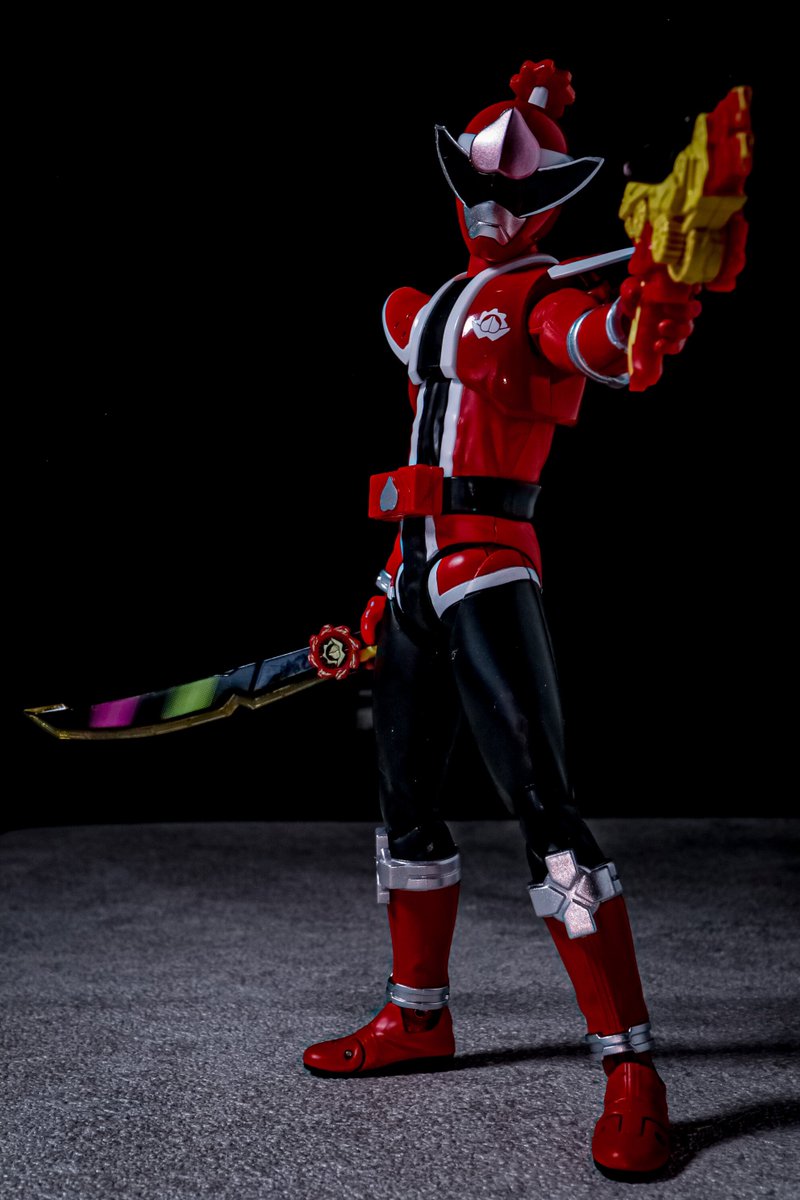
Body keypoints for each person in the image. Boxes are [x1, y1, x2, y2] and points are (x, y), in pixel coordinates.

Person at [303, 57, 748, 1178]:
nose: (492, 203)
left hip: (489, 571)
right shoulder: (422, 311)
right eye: (476, 181)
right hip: (412, 575)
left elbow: (608, 351)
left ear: (552, 203)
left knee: (546, 815)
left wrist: (655, 294)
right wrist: (379, 593)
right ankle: (417, 1015)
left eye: (516, 189)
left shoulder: (545, 301)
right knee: (405, 812)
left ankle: (631, 1067)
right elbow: (425, 457)